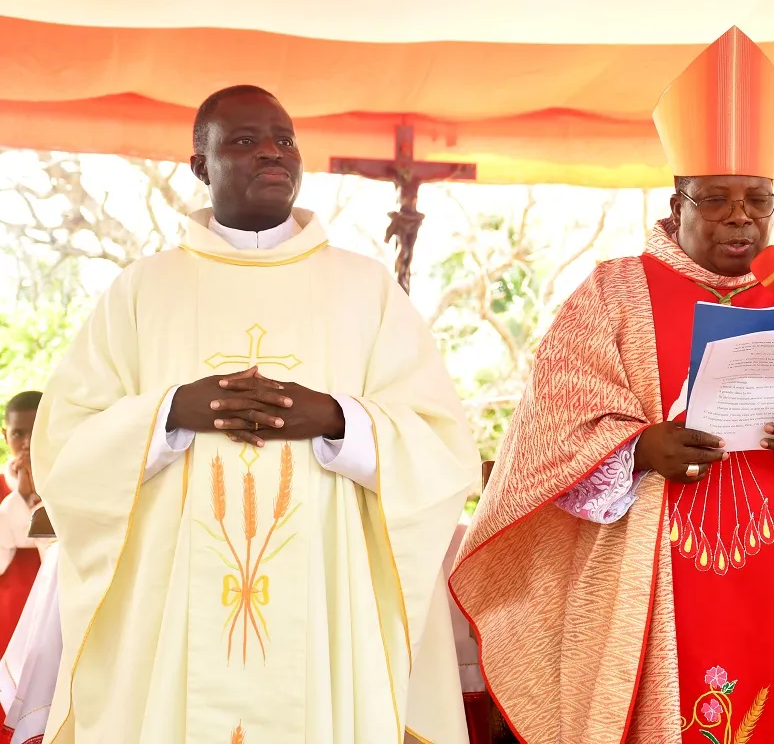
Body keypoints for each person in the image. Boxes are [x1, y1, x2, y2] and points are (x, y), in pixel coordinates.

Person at [450, 27, 774, 744]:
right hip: (650, 577)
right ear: (676, 200)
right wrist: (637, 449)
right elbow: (547, 439)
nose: (740, 216)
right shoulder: (610, 297)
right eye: (715, 199)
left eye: (758, 200)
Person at [31, 85, 479, 744]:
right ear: (200, 165)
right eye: (244, 140)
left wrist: (337, 420)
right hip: (173, 609)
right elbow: (65, 447)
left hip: (324, 603)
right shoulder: (143, 290)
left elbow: (441, 445)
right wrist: (171, 412)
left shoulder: (365, 289)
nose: (273, 152)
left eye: (284, 139)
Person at [0, 393, 44, 656]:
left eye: (36, 431)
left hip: (55, 611)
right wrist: (21, 497)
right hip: (6, 614)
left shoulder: (70, 485)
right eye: (18, 433)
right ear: (5, 436)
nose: (27, 443)